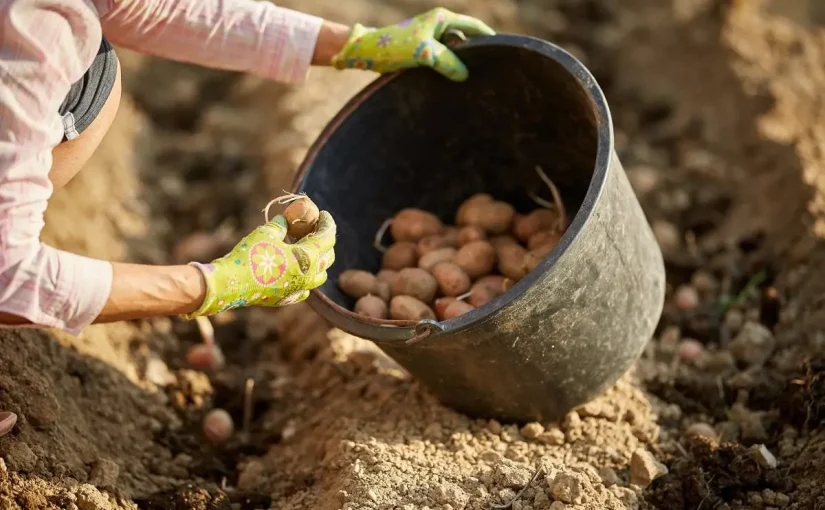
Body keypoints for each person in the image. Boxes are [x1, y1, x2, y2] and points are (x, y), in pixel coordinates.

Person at [0, 0, 495, 335]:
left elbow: (145, 9)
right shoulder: (32, 27)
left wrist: (353, 45)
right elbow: (8, 275)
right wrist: (217, 284)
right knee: (91, 86)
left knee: (94, 73)